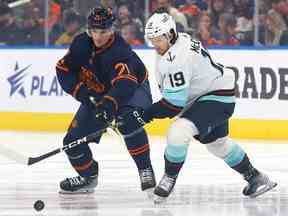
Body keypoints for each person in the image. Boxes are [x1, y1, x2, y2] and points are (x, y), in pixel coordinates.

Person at [118, 9, 277, 203]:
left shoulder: (177, 58)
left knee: (179, 131)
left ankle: (169, 177)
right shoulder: (178, 40)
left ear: (170, 34)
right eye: (152, 39)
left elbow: (173, 105)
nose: (154, 44)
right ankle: (255, 177)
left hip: (215, 97)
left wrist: (142, 115)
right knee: (218, 145)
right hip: (213, 94)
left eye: (158, 38)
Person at [55, 7, 156, 194]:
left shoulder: (120, 51)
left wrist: (109, 105)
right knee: (72, 141)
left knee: (128, 122)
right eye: (94, 31)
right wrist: (84, 94)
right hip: (100, 93)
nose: (98, 37)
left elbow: (125, 85)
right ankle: (88, 177)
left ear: (111, 29)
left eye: (102, 32)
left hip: (134, 89)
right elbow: (63, 70)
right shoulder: (80, 44)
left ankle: (145, 168)